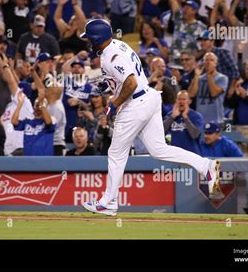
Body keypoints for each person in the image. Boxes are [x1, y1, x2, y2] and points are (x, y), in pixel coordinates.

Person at [80, 19, 220, 216]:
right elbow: (124, 78)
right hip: (150, 97)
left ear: (97, 38)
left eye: (90, 38)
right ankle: (205, 166)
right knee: (158, 149)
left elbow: (130, 82)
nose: (88, 42)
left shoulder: (111, 55)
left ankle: (108, 202)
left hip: (135, 103)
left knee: (116, 153)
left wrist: (114, 103)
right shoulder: (117, 45)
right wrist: (108, 84)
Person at [188, 52, 229, 125]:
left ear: (216, 64)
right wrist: (196, 75)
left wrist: (209, 75)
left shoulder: (222, 78)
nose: (208, 62)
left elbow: (214, 93)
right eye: (206, 60)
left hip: (216, 120)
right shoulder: (199, 78)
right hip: (200, 119)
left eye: (211, 60)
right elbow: (191, 94)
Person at [11, 90, 55, 156]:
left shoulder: (52, 119)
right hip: (28, 160)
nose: (38, 108)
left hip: (45, 161)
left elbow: (48, 122)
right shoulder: (28, 122)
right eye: (37, 106)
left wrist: (42, 104)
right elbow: (14, 122)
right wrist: (20, 104)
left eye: (41, 106)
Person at [163, 90, 204, 155]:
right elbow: (161, 131)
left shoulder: (196, 116)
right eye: (179, 99)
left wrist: (185, 118)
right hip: (175, 155)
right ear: (176, 101)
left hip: (192, 154)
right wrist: (172, 117)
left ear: (189, 101)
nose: (181, 101)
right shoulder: (170, 115)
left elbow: (195, 135)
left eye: (184, 99)